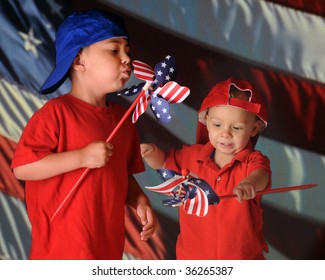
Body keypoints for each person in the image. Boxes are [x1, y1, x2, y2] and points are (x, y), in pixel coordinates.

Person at [11, 9, 156, 260]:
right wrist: (81, 157)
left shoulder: (124, 123)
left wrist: (139, 199)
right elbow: (23, 168)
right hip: (60, 254)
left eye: (127, 51)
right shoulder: (55, 114)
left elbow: (122, 175)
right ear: (79, 61)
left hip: (106, 251)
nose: (127, 59)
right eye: (114, 50)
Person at [141, 77, 271, 260]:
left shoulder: (252, 161)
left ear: (254, 128)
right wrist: (152, 154)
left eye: (236, 127)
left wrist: (250, 183)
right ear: (206, 120)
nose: (225, 133)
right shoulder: (191, 156)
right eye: (217, 125)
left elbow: (261, 175)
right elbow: (164, 163)